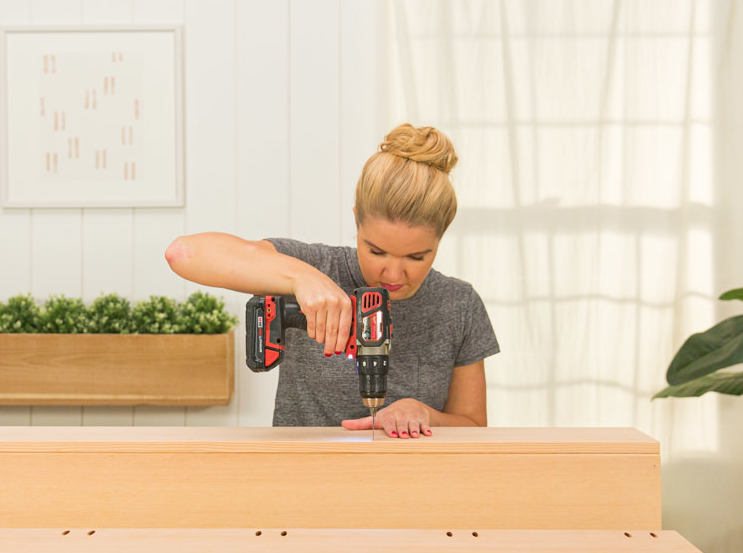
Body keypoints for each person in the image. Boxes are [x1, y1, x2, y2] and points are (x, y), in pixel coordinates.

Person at [165, 123, 499, 439]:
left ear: (441, 238)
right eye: (377, 252)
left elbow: (472, 425)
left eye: (416, 257)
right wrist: (302, 278)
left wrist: (424, 413)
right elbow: (184, 254)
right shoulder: (314, 267)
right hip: (301, 483)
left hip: (413, 488)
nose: (394, 275)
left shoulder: (458, 304)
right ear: (357, 220)